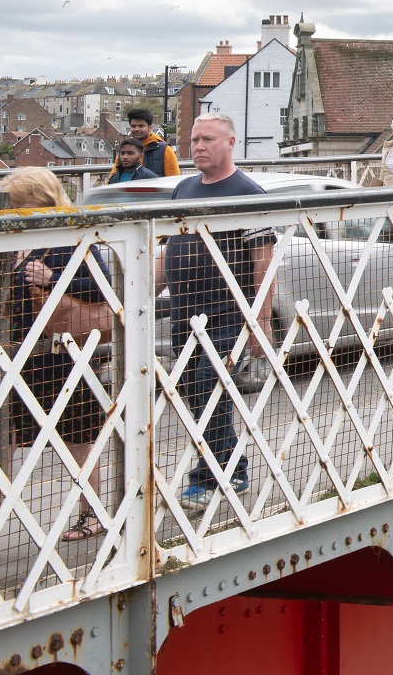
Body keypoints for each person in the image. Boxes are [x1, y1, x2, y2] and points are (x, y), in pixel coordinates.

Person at [154, 112, 276, 509]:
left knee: (207, 387)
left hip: (226, 315)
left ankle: (216, 475)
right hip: (184, 313)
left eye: (207, 139)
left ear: (230, 143)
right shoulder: (184, 189)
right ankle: (231, 467)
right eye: (193, 140)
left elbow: (264, 257)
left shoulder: (246, 192)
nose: (198, 147)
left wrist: (260, 319)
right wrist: (142, 294)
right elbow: (167, 249)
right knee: (195, 391)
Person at [0, 168, 117, 543]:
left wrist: (52, 278)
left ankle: (93, 514)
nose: (11, 212)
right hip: (15, 354)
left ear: (39, 202)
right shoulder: (11, 239)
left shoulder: (71, 237)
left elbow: (103, 288)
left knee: (78, 437)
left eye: (17, 205)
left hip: (62, 355)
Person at [113, 107, 179, 179]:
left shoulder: (165, 150)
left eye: (141, 126)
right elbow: (113, 178)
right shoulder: (124, 150)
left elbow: (173, 180)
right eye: (133, 126)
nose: (136, 129)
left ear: (150, 127)